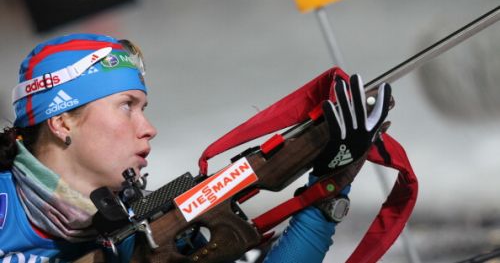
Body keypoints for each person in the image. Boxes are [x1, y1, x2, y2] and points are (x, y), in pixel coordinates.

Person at [0, 33, 391, 262]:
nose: (149, 129)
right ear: (62, 120)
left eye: (144, 108)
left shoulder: (141, 224)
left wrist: (330, 182)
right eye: (126, 107)